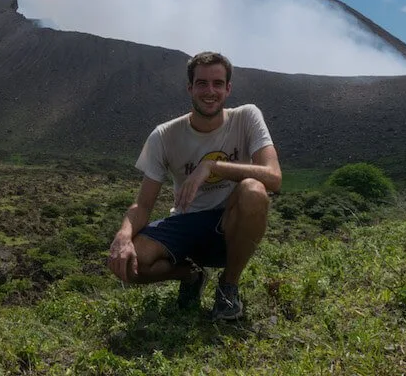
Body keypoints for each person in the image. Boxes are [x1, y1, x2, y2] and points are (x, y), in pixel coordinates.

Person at [106, 51, 281, 320]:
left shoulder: (246, 117)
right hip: (186, 224)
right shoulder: (164, 135)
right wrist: (123, 235)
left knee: (254, 190)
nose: (209, 91)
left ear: (228, 88)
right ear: (190, 88)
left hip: (230, 224)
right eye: (201, 83)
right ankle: (191, 275)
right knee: (128, 265)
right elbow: (143, 204)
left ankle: (228, 287)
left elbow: (273, 177)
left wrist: (212, 166)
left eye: (217, 84)